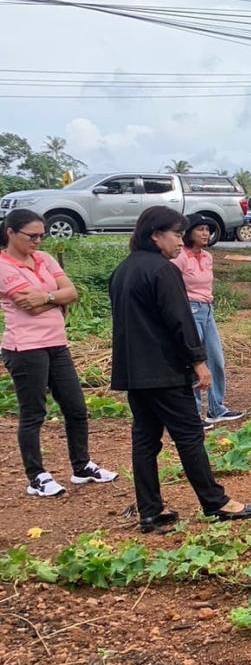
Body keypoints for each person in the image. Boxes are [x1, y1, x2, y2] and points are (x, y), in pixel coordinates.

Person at [108, 206, 251, 533]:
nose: (181, 240)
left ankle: (150, 510)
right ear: (155, 236)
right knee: (190, 435)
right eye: (176, 234)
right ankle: (215, 501)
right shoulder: (163, 271)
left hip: (135, 370)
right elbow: (180, 321)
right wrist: (198, 361)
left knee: (145, 439)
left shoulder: (123, 270)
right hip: (163, 369)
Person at [0, 209, 118, 497]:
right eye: (32, 236)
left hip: (56, 343)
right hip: (26, 348)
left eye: (42, 235)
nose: (38, 241)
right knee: (33, 413)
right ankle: (36, 475)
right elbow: (31, 305)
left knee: (76, 408)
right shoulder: (4, 267)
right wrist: (56, 299)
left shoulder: (44, 259)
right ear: (11, 233)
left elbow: (72, 292)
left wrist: (49, 297)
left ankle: (81, 466)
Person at [171, 216, 243, 429]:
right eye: (200, 229)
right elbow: (172, 286)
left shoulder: (208, 257)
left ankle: (216, 408)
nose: (205, 233)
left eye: (208, 230)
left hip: (208, 309)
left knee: (216, 359)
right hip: (190, 310)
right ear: (188, 232)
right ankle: (194, 414)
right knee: (194, 361)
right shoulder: (181, 257)